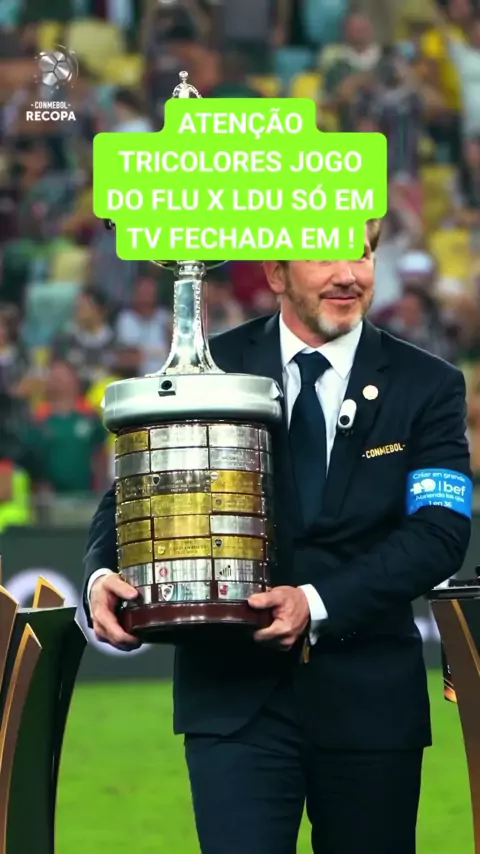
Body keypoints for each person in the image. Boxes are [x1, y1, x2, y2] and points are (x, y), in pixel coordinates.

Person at [82, 218, 472, 854]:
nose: (348, 275)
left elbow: (439, 532)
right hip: (232, 704)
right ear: (275, 273)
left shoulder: (426, 383)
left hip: (371, 709)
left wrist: (315, 603)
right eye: (323, 256)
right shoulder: (212, 366)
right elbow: (134, 490)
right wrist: (102, 574)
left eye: (362, 255)